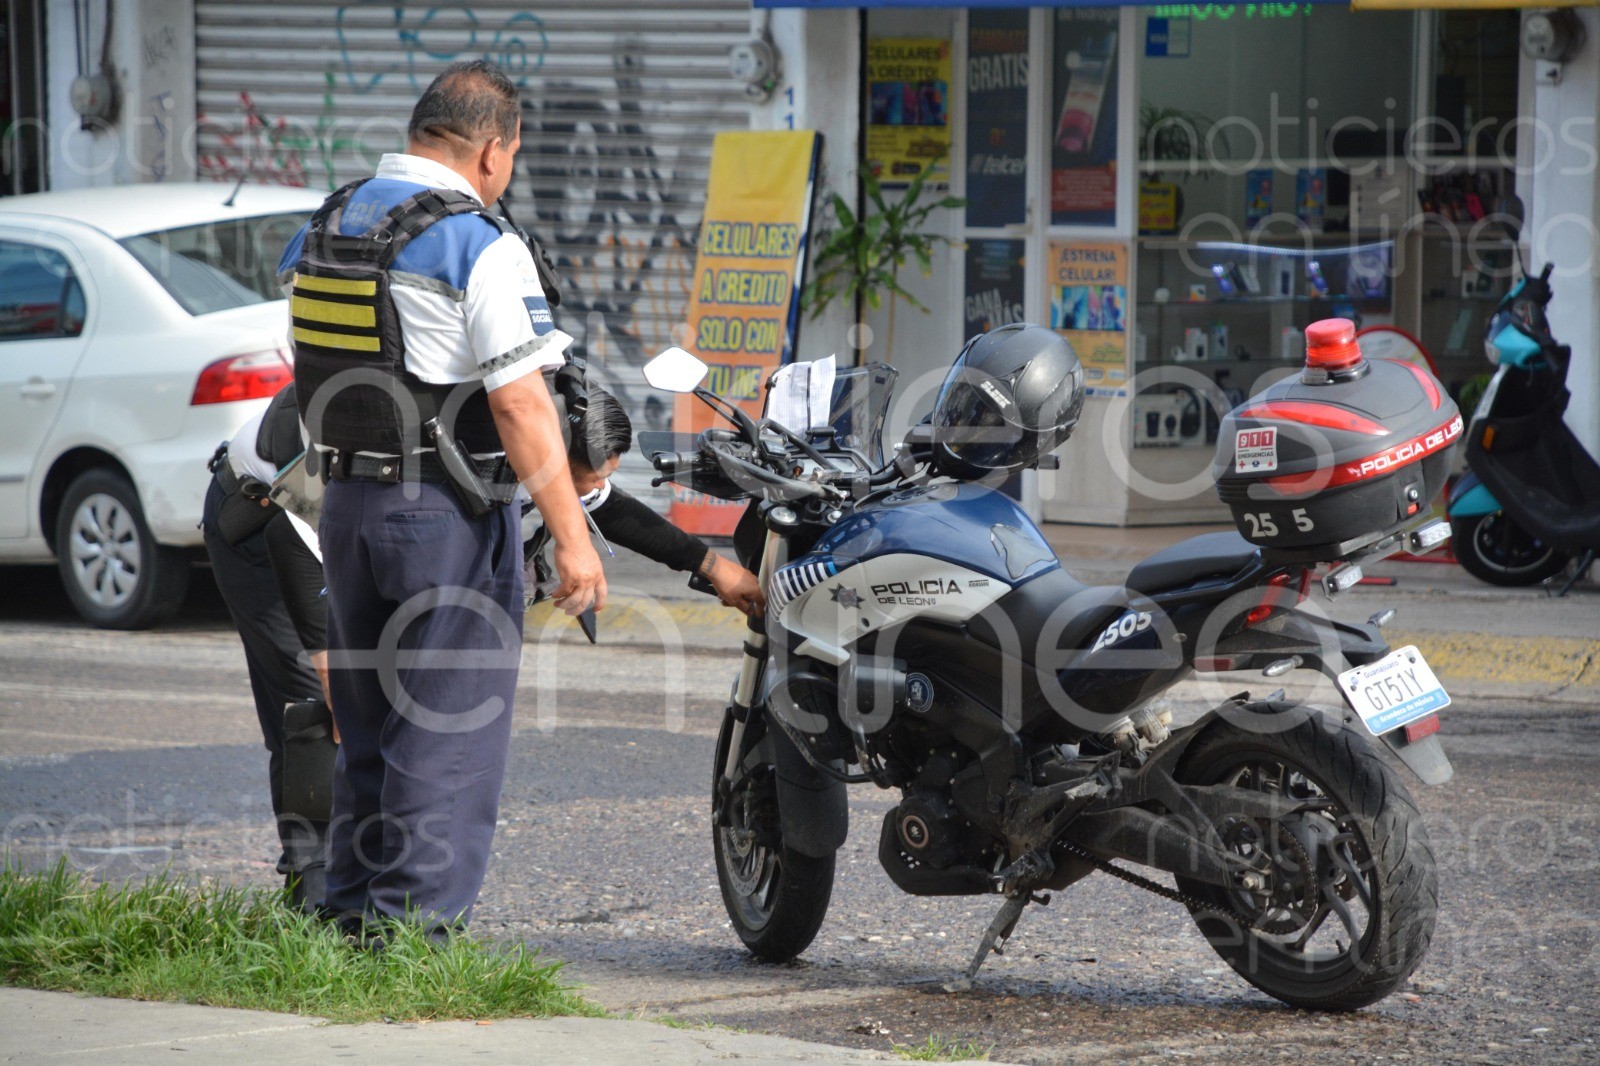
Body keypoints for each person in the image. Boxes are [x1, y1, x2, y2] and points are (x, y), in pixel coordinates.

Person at [285, 59, 605, 937]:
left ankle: (349, 922)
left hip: (347, 509)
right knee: (444, 737)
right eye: (513, 158)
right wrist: (574, 539)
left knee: (369, 729)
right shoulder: (477, 242)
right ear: (493, 151)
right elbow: (520, 404)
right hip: (443, 519)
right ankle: (412, 942)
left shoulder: (328, 223)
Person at [200, 383, 331, 910]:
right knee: (313, 705)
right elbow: (294, 537)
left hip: (327, 522)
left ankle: (373, 886)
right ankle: (313, 895)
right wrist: (331, 671)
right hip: (261, 521)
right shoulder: (369, 421)